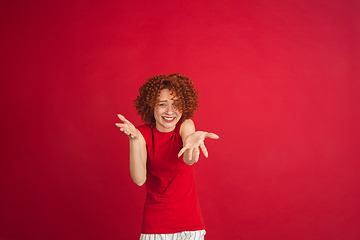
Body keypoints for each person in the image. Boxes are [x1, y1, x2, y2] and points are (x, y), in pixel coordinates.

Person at [115, 73, 219, 240]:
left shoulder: (185, 125)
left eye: (176, 104)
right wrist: (133, 140)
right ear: (151, 107)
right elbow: (139, 179)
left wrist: (191, 142)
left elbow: (188, 159)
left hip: (189, 224)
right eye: (162, 104)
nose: (170, 111)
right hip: (155, 225)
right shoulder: (142, 134)